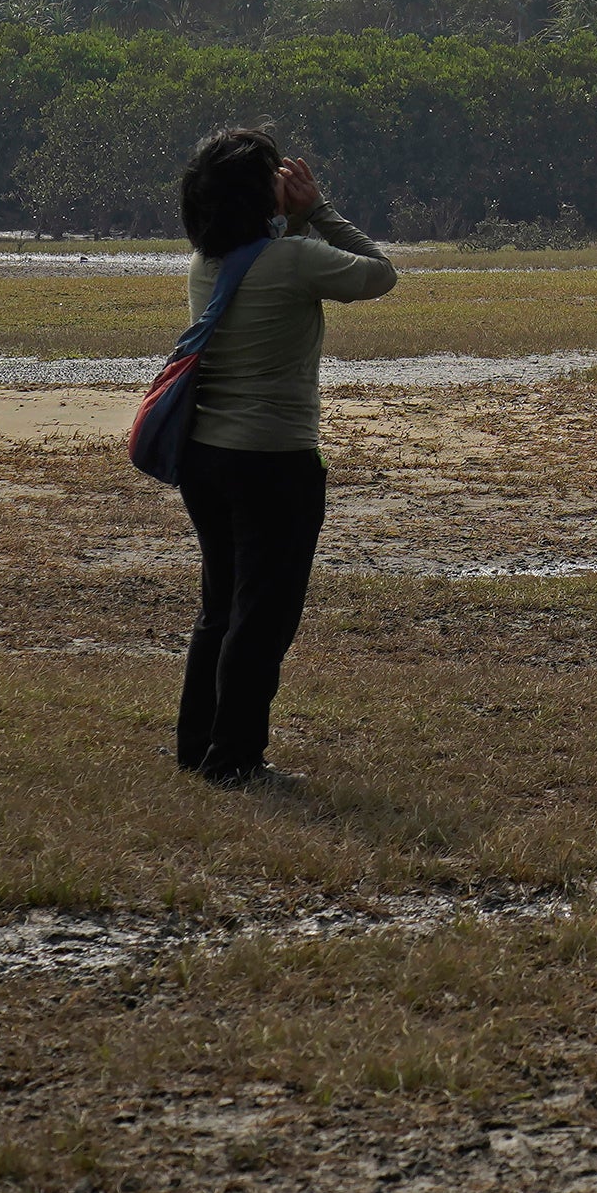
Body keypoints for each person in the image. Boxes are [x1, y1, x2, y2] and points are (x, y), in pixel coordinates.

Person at [169, 127, 395, 791]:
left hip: (206, 457)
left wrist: (289, 219)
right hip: (273, 459)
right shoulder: (295, 257)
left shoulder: (207, 263)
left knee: (221, 606)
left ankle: (199, 746)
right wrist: (316, 211)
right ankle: (235, 758)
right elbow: (379, 274)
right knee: (263, 614)